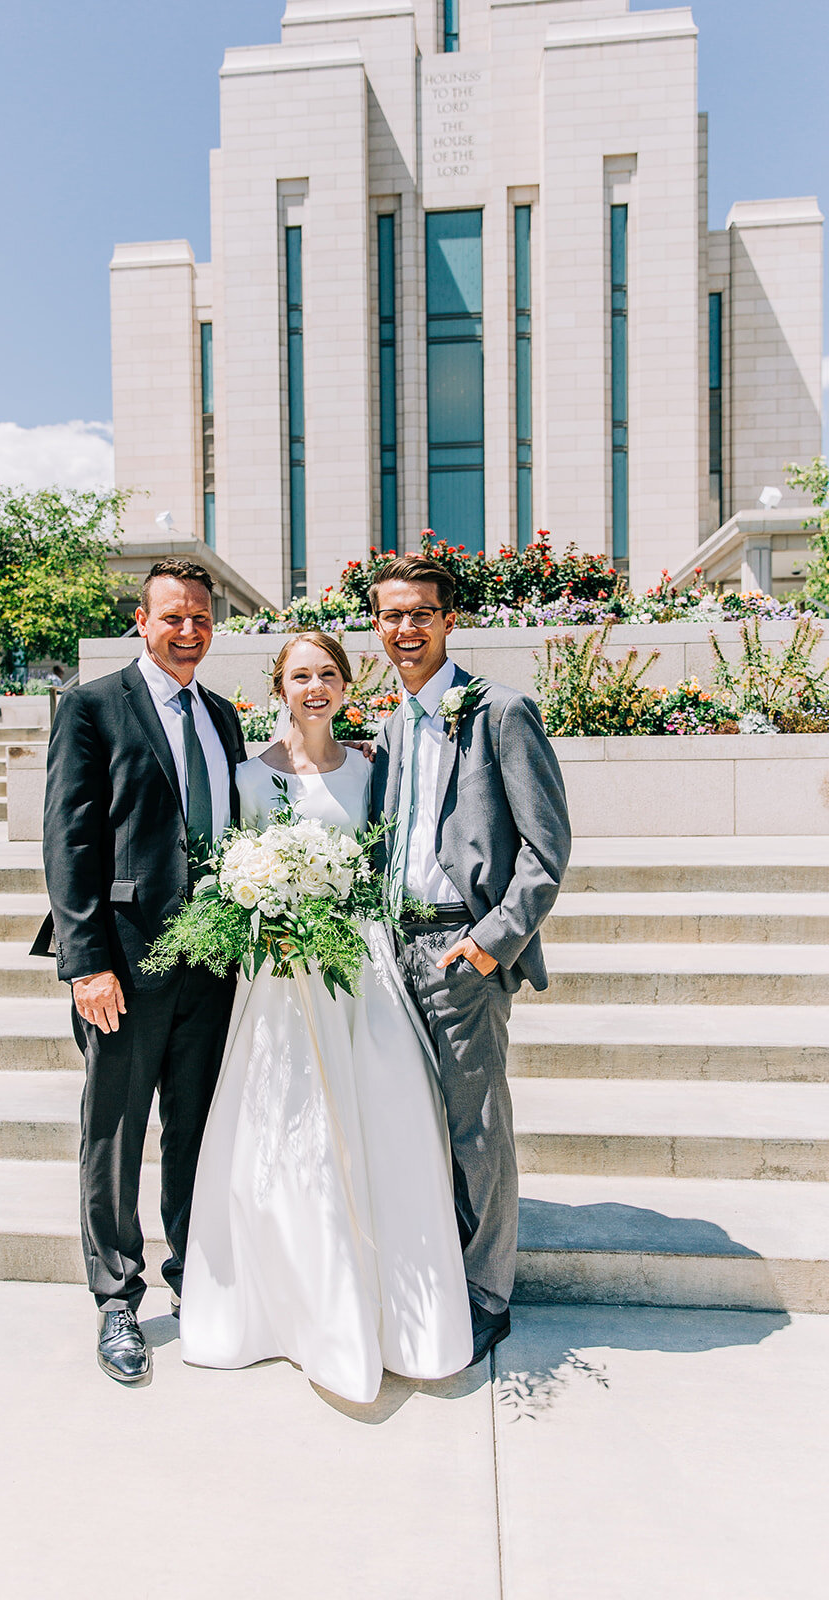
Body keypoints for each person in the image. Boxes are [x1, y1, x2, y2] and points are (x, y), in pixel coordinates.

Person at [179, 631, 473, 1404]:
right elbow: (225, 865)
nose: (315, 686)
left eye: (327, 674)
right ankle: (291, 1303)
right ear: (279, 686)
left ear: (346, 684)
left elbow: (380, 861)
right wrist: (258, 905)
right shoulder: (247, 776)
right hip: (277, 968)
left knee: (385, 1118)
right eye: (300, 674)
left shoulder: (371, 770)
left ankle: (395, 1304)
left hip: (358, 964)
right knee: (282, 1127)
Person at [37, 558, 246, 1385]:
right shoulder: (93, 706)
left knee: (198, 1133)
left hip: (212, 964)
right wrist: (85, 964)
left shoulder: (223, 716)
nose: (187, 630)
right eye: (172, 617)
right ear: (141, 620)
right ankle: (115, 1296)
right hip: (123, 963)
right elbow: (70, 840)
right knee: (115, 1133)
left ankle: (193, 1278)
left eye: (199, 617)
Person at [368, 553, 571, 1367]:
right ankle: (434, 1267)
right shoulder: (386, 728)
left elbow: (545, 850)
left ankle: (486, 1291)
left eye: (420, 612)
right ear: (376, 626)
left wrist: (489, 946)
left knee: (475, 1124)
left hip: (463, 948)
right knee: (413, 1123)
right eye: (390, 615)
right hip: (390, 947)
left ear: (449, 620)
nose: (405, 628)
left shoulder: (501, 712)